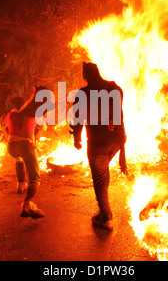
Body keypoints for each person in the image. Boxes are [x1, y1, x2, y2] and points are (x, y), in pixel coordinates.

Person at [69, 62, 127, 230]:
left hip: (98, 142)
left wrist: (77, 137)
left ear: (85, 75)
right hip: (115, 141)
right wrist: (122, 147)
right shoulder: (114, 88)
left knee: (99, 179)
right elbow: (119, 115)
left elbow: (78, 117)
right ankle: (103, 208)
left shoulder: (84, 93)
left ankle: (105, 215)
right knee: (103, 171)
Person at [5, 86, 49, 219]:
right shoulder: (33, 115)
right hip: (26, 146)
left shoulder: (10, 115)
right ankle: (27, 204)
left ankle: (20, 184)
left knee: (19, 160)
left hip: (11, 147)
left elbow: (6, 129)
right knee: (35, 178)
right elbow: (44, 128)